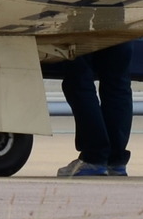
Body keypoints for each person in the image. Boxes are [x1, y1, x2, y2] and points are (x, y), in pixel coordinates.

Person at [55, 41, 135, 177]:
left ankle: (94, 157)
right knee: (117, 84)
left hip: (83, 27)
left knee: (79, 81)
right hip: (121, 24)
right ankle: (115, 160)